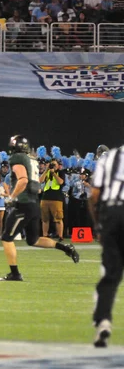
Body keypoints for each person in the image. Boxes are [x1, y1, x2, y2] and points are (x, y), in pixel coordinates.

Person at [0, 135, 79, 282]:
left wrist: (12, 197)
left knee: (6, 238)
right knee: (33, 240)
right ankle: (66, 248)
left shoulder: (18, 158)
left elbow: (23, 180)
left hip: (23, 204)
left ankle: (15, 273)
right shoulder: (32, 159)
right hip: (34, 203)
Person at [88, 145, 124, 347]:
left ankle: (103, 321)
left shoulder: (108, 157)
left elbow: (94, 194)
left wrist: (99, 225)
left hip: (111, 214)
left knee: (111, 274)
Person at [40, 158, 66, 241]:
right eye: (52, 165)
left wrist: (54, 173)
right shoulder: (47, 172)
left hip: (56, 198)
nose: (53, 166)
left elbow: (61, 182)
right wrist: (46, 170)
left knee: (58, 218)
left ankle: (60, 236)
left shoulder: (61, 172)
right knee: (45, 218)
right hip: (45, 197)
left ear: (58, 166)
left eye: (54, 165)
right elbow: (40, 181)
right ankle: (45, 235)